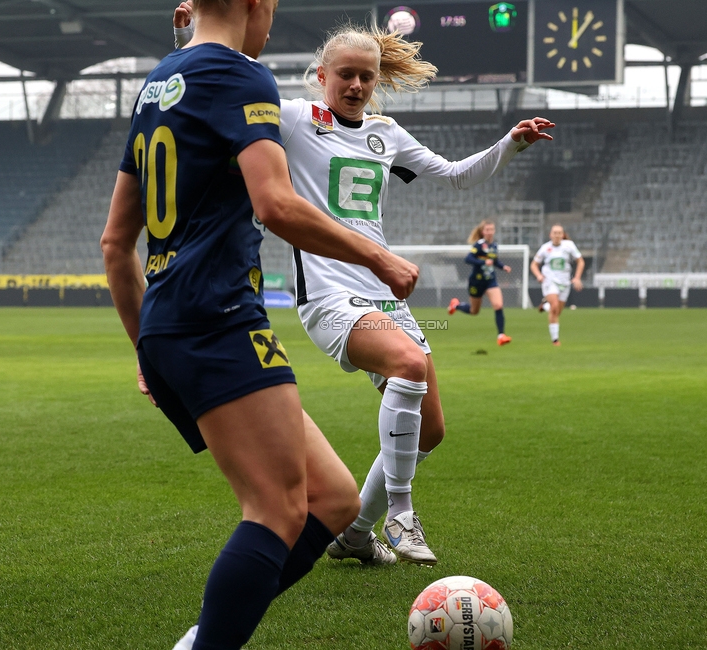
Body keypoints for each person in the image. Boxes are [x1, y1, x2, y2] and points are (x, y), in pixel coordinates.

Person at [173, 4, 554, 568]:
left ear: (377, 82)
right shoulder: (294, 117)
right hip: (327, 292)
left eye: (366, 76)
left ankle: (355, 534)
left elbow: (452, 175)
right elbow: (205, 89)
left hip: (382, 294)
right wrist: (185, 33)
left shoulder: (385, 133)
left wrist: (511, 142)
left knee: (431, 432)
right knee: (409, 364)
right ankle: (400, 509)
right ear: (321, 75)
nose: (355, 85)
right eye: (344, 74)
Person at [101, 2, 419, 649]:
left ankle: (203, 637)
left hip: (168, 322)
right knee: (276, 511)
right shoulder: (243, 75)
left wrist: (146, 348)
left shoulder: (159, 83)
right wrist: (377, 255)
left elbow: (115, 243)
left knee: (331, 502)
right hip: (216, 316)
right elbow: (274, 205)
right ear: (252, 6)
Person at [448, 220, 513, 346]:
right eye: (487, 230)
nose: (489, 232)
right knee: (474, 311)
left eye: (491, 229)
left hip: (490, 281)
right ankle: (455, 305)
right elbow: (468, 259)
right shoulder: (479, 245)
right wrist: (483, 262)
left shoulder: (494, 246)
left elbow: (494, 260)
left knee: (498, 305)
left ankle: (501, 336)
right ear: (483, 232)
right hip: (476, 282)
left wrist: (503, 266)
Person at [531, 224, 585, 346]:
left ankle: (545, 306)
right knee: (554, 306)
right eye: (554, 233)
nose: (557, 235)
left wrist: (577, 278)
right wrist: (539, 276)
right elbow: (534, 265)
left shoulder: (569, 246)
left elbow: (580, 261)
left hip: (565, 282)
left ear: (563, 235)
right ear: (550, 235)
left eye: (559, 233)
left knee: (556, 312)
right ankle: (555, 340)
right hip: (549, 281)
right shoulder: (545, 248)